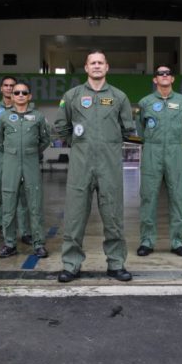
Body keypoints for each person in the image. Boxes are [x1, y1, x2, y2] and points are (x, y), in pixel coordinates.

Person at [54, 50, 136, 283]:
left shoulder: (119, 97)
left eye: (101, 62)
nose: (97, 66)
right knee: (75, 216)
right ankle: (71, 265)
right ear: (86, 68)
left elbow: (128, 129)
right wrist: (78, 145)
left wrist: (109, 145)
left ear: (107, 67)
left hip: (109, 166)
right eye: (93, 63)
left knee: (113, 216)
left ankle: (116, 264)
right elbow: (61, 126)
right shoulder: (72, 95)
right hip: (81, 166)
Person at [136, 66, 182, 257]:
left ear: (173, 79)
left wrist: (177, 142)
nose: (164, 76)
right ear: (155, 79)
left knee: (178, 197)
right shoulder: (145, 102)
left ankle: (178, 241)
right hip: (152, 151)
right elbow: (141, 128)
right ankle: (147, 241)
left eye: (167, 73)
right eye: (160, 74)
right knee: (148, 197)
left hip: (175, 150)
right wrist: (152, 141)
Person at [0, 81, 51, 258]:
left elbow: (45, 139)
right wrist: (12, 153)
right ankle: (9, 244)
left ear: (29, 96)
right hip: (10, 162)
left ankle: (39, 243)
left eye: (23, 93)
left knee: (34, 204)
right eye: (16, 92)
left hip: (31, 162)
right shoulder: (3, 117)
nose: (19, 95)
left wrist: (31, 152)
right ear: (11, 96)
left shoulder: (38, 117)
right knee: (9, 204)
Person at [0, 77, 31, 247]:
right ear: (1, 89)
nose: (9, 89)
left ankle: (25, 232)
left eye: (12, 86)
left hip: (19, 159)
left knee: (21, 196)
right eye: (6, 86)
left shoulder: (28, 109)